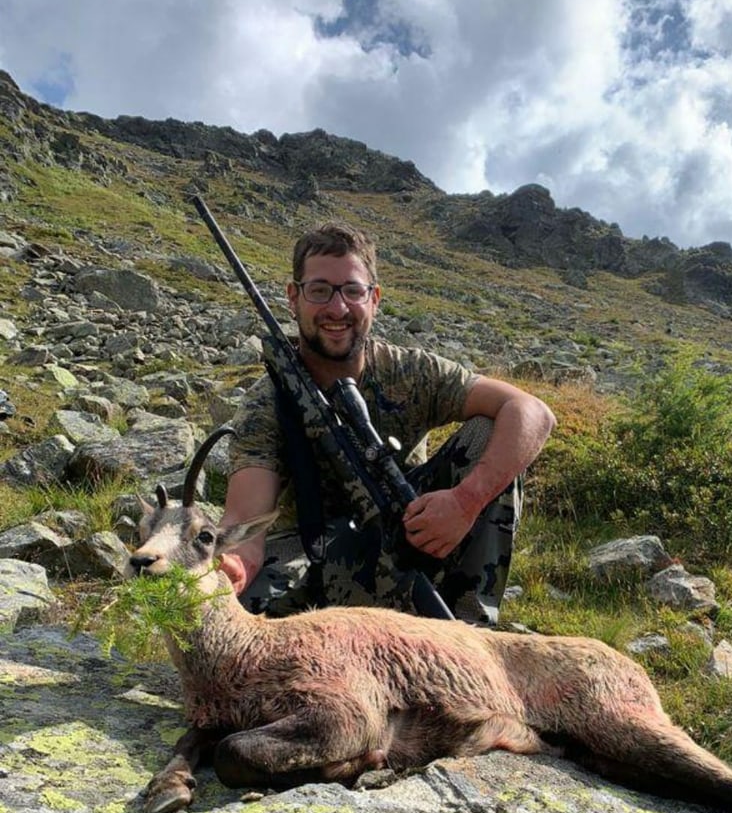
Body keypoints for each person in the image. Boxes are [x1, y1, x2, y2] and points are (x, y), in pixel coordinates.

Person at [218, 220, 555, 625]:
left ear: (374, 298)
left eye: (353, 291)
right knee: (241, 618)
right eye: (319, 290)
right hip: (316, 556)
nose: (337, 309)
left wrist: (464, 502)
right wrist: (234, 566)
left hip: (413, 541)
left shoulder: (411, 370)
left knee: (486, 433)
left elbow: (532, 412)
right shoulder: (266, 403)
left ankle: (471, 628)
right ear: (294, 297)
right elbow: (246, 523)